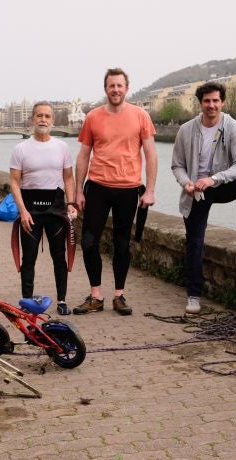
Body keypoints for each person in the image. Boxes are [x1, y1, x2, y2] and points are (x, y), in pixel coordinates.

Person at [171, 81, 236, 316]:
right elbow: (177, 165)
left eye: (216, 101)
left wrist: (214, 179)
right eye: (207, 101)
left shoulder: (231, 126)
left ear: (222, 102)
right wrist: (186, 182)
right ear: (201, 103)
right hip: (195, 191)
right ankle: (194, 296)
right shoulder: (186, 130)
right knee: (195, 242)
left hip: (219, 185)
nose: (211, 105)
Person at [73, 67, 157, 316]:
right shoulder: (93, 117)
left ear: (126, 88)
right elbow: (83, 156)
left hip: (128, 189)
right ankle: (96, 295)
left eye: (120, 85)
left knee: (122, 244)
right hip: (97, 187)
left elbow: (151, 155)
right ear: (106, 88)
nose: (116, 90)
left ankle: (119, 296)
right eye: (112, 86)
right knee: (89, 242)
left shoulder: (141, 116)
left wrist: (150, 190)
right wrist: (78, 190)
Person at [9, 101, 78, 316]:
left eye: (47, 116)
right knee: (28, 258)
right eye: (39, 116)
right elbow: (14, 182)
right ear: (32, 119)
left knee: (59, 256)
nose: (43, 120)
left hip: (56, 210)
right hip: (30, 210)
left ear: (53, 120)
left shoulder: (62, 147)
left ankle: (62, 300)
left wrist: (71, 203)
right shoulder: (20, 149)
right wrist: (22, 211)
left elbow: (68, 177)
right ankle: (27, 302)